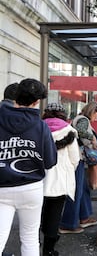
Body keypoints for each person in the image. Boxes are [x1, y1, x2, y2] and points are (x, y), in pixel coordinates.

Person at [0, 78, 57, 256]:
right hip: (31, 188)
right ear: (36, 102)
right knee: (30, 238)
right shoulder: (41, 126)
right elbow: (50, 161)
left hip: (1, 187)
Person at [41, 103, 80, 255]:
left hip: (39, 179)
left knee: (39, 213)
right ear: (62, 114)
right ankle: (49, 250)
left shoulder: (39, 128)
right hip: (59, 181)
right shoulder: (69, 131)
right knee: (55, 214)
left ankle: (35, 244)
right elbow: (75, 158)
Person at [59, 101, 97, 234]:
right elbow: (81, 132)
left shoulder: (79, 118)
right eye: (96, 115)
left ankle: (84, 217)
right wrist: (93, 139)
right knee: (77, 191)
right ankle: (68, 224)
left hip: (77, 158)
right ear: (92, 111)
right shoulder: (83, 120)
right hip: (76, 159)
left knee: (82, 189)